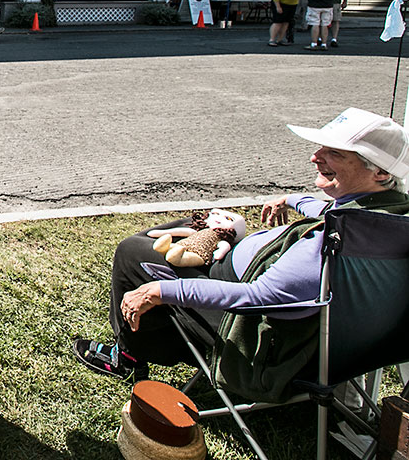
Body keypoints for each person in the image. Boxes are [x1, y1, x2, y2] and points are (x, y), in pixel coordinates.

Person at [73, 108, 409, 403]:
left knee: (133, 252)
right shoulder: (383, 220)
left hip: (262, 343)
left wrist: (160, 291)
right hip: (336, 344)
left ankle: (127, 356)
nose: (315, 156)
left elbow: (259, 297)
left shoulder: (330, 241)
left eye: (334, 152)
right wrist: (291, 199)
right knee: (184, 228)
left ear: (379, 172)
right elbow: (327, 209)